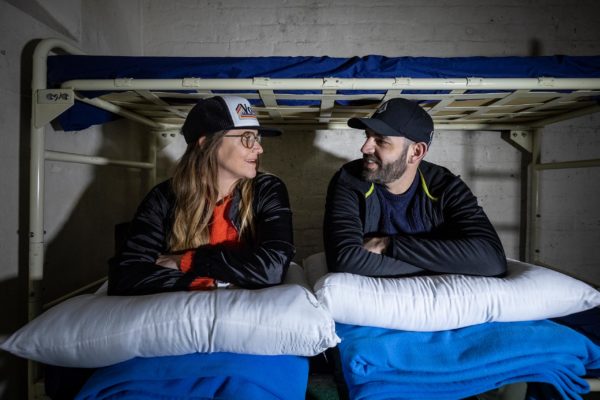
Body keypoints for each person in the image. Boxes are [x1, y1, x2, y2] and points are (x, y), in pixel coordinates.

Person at [108, 95, 295, 295]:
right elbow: (125, 274)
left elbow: (272, 268)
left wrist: (185, 261)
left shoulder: (267, 189)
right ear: (206, 144)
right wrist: (213, 282)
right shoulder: (164, 197)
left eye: (257, 138)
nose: (259, 148)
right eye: (247, 138)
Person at [323, 98, 506, 278]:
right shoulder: (349, 180)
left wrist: (387, 245)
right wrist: (445, 263)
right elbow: (344, 259)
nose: (365, 148)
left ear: (416, 152)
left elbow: (492, 260)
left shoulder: (446, 187)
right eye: (368, 136)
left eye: (380, 140)